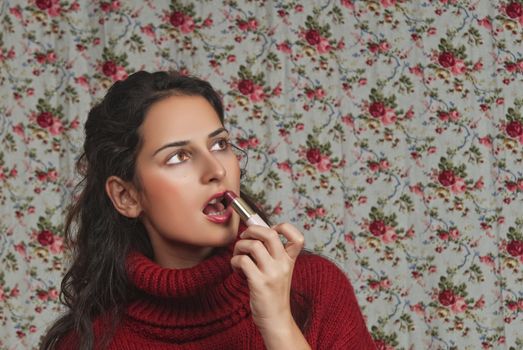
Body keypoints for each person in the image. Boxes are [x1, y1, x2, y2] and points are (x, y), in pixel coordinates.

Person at [39, 71, 376, 349]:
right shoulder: (89, 341)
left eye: (220, 144)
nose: (215, 168)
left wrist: (278, 323)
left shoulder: (313, 288)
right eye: (177, 157)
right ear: (126, 196)